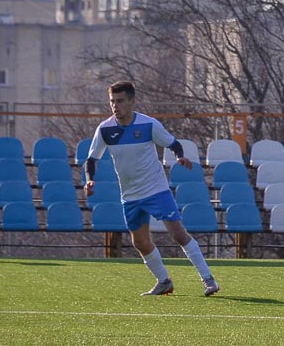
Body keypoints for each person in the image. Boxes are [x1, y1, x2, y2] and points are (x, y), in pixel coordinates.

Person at [84, 81, 220, 297]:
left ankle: (208, 279)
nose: (115, 106)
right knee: (139, 241)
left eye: (120, 101)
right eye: (112, 101)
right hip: (130, 195)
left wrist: (180, 156)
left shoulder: (149, 125)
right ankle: (164, 281)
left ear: (132, 101)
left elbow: (172, 143)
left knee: (177, 234)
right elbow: (91, 159)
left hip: (156, 190)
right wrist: (90, 180)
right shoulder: (105, 129)